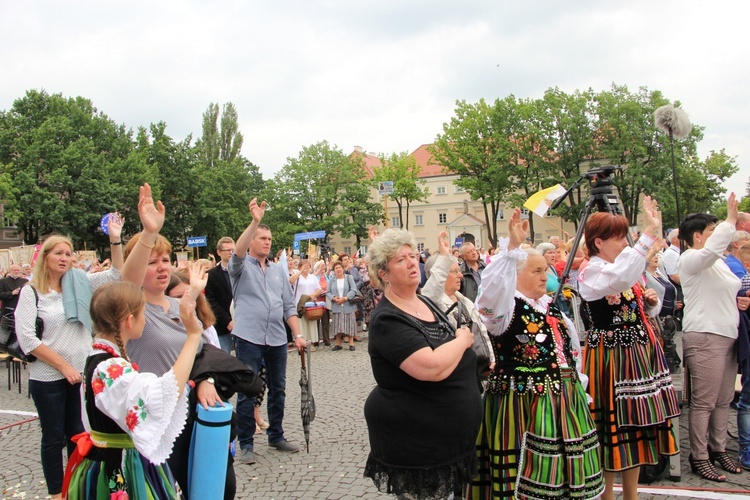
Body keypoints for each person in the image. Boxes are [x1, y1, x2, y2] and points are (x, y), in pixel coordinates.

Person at [469, 208, 604, 499]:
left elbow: (568, 352)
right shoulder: (505, 309)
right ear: (514, 276)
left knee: (561, 474)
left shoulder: (547, 306)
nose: (546, 277)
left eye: (546, 270)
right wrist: (512, 250)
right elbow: (489, 296)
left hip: (561, 399)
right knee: (523, 469)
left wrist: (577, 384)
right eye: (537, 271)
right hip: (521, 402)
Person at [120, 184, 234, 498]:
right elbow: (126, 281)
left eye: (167, 259)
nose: (162, 267)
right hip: (154, 420)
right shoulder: (131, 308)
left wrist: (207, 378)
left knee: (217, 488)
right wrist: (148, 232)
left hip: (190, 412)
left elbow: (201, 352)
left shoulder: (177, 306)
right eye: (153, 261)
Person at [363, 226, 481, 499]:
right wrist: (463, 341)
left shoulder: (426, 302)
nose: (411, 262)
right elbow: (431, 367)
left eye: (412, 255)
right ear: (384, 274)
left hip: (450, 439)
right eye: (400, 259)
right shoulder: (387, 320)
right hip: (417, 444)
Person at [63, 274, 204, 499]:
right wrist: (194, 335)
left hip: (106, 459)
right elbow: (164, 394)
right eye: (143, 314)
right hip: (121, 466)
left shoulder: (100, 357)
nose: (145, 320)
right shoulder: (109, 367)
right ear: (129, 320)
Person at [15, 215, 124, 500]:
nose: (64, 258)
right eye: (59, 253)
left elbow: (116, 274)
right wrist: (62, 366)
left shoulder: (79, 283)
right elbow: (28, 338)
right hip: (48, 375)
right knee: (53, 437)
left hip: (79, 371)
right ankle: (55, 493)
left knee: (77, 433)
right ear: (45, 257)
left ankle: (75, 486)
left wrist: (115, 238)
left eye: (68, 254)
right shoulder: (31, 292)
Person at [579, 196, 680, 500]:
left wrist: (648, 302)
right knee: (614, 430)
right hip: (612, 356)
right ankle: (608, 494)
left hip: (636, 353)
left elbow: (635, 294)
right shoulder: (592, 271)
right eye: (618, 237)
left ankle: (631, 495)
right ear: (598, 242)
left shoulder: (621, 265)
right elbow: (620, 276)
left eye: (625, 237)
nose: (624, 243)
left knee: (636, 426)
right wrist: (648, 233)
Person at [229, 197, 306, 465]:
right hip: (248, 337)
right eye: (262, 237)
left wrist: (297, 334)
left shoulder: (277, 272)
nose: (267, 242)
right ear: (251, 241)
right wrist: (255, 222)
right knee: (248, 389)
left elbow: (288, 306)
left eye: (269, 238)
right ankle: (246, 443)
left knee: (278, 388)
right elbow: (237, 252)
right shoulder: (239, 268)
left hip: (276, 338)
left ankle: (276, 435)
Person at [679, 194, 745, 481]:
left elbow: (728, 288)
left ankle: (718, 450)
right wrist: (730, 221)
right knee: (704, 402)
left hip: (727, 334)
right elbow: (710, 252)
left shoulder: (716, 262)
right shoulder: (692, 257)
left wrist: (742, 301)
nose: (716, 235)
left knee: (722, 399)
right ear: (698, 236)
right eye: (711, 230)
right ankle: (699, 455)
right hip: (705, 335)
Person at [421, 230, 494, 377]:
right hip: (455, 372)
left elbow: (480, 331)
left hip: (477, 368)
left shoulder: (464, 299)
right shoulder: (434, 302)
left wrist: (490, 358)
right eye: (454, 271)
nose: (460, 274)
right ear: (439, 275)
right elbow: (431, 292)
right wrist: (444, 257)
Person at [167, 271, 221, 348]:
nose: (186, 300)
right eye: (178, 297)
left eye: (192, 294)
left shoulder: (207, 328)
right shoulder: (167, 335)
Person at [206, 237, 236, 353]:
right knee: (224, 359)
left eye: (233, 250)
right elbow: (211, 302)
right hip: (223, 326)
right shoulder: (211, 275)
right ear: (219, 252)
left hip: (244, 325)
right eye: (227, 250)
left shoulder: (244, 272)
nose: (231, 253)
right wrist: (227, 321)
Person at [290, 260, 324, 350]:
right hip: (299, 304)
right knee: (301, 325)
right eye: (304, 266)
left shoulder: (312, 277)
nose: (306, 267)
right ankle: (303, 342)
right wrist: (300, 272)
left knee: (311, 323)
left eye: (308, 266)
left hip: (310, 304)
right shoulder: (297, 276)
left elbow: (319, 289)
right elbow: (290, 281)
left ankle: (312, 343)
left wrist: (314, 294)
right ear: (300, 267)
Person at [327, 261, 358, 351]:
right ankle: (338, 344)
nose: (338, 269)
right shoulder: (332, 279)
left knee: (350, 324)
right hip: (336, 305)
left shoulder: (349, 278)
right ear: (334, 270)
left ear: (343, 268)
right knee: (337, 325)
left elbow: (353, 290)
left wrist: (346, 298)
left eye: (339, 267)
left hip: (347, 304)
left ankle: (351, 343)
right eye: (336, 268)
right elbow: (328, 292)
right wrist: (333, 298)